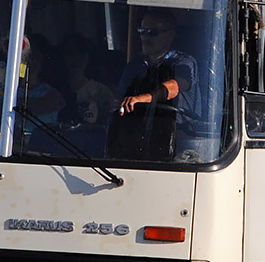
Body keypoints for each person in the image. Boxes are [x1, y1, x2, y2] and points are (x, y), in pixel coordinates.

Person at [110, 8, 199, 159]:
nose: (145, 37)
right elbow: (121, 99)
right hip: (140, 142)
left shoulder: (185, 62)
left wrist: (142, 98)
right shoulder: (134, 66)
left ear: (170, 34)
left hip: (179, 144)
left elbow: (176, 86)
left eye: (152, 32)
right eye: (142, 31)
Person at [61, 32, 114, 126]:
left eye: (80, 53)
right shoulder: (53, 90)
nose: (75, 58)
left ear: (87, 57)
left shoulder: (101, 92)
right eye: (69, 53)